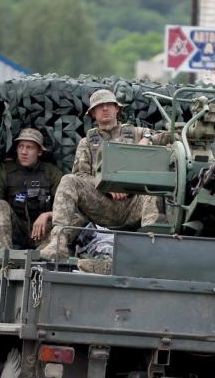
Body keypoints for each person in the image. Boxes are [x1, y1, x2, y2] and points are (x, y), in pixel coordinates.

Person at [40, 89, 167, 260]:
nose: (105, 109)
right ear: (93, 113)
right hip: (103, 205)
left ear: (117, 109)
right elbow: (81, 175)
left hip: (136, 204)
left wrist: (149, 138)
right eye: (100, 106)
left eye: (109, 105)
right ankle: (58, 243)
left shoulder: (137, 133)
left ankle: (152, 249)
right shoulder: (86, 143)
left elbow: (170, 136)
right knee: (69, 180)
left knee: (156, 183)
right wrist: (106, 185)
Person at [0, 128, 64, 258]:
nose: (23, 152)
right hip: (16, 230)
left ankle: (39, 258)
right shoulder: (6, 170)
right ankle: (5, 261)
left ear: (39, 152)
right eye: (21, 146)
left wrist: (47, 215)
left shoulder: (51, 172)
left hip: (43, 233)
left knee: (69, 220)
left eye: (29, 148)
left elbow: (66, 208)